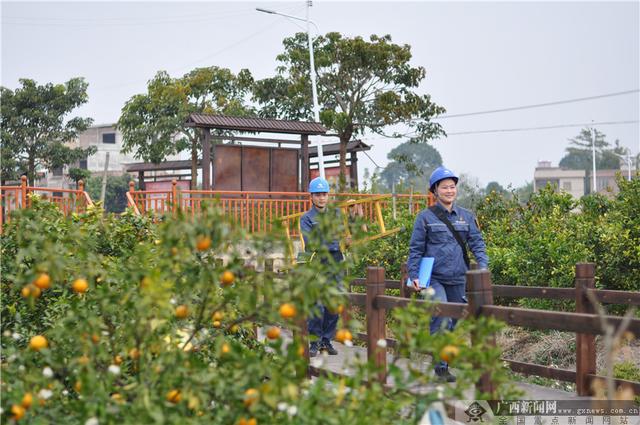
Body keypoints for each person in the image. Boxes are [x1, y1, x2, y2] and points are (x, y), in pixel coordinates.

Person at [406, 166, 488, 382]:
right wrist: (414, 274)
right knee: (441, 314)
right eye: (444, 187)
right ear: (435, 191)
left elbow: (477, 244)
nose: (450, 191)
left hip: (459, 277)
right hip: (435, 278)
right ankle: (441, 367)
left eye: (452, 187)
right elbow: (415, 249)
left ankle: (440, 352)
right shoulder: (425, 218)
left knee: (455, 319)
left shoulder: (466, 216)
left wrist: (483, 267)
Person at [300, 177, 345, 357]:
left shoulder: (336, 215)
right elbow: (311, 243)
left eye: (324, 194)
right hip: (317, 261)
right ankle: (314, 341)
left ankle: (327, 340)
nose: (321, 198)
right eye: (318, 195)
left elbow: (338, 237)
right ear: (311, 197)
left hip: (335, 260)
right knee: (316, 304)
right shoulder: (306, 218)